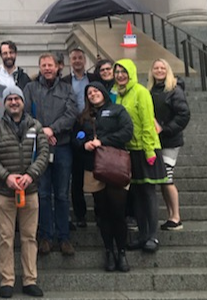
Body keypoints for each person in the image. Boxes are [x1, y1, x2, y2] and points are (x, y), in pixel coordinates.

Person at [0, 86, 49, 298]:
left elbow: (43, 153)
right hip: (4, 191)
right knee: (5, 237)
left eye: (17, 98)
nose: (13, 102)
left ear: (23, 101)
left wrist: (31, 174)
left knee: (29, 237)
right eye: (9, 98)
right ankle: (7, 280)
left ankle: (30, 279)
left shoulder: (36, 126)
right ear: (5, 103)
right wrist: (6, 176)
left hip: (29, 190)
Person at [73, 82, 133, 272]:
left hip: (115, 165)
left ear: (104, 93)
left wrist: (102, 141)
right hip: (93, 168)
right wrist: (84, 144)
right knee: (103, 213)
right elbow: (76, 137)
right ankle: (108, 251)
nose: (93, 94)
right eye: (89, 93)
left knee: (118, 211)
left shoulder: (117, 110)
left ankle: (121, 252)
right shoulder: (83, 116)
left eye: (96, 91)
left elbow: (127, 132)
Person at [23, 52, 78, 256]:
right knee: (43, 193)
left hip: (62, 146)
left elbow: (71, 114)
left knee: (62, 194)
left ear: (58, 67)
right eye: (43, 65)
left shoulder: (67, 89)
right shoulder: (30, 88)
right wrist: (42, 131)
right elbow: (25, 113)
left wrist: (53, 129)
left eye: (50, 65)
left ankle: (64, 237)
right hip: (39, 148)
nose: (47, 68)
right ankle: (45, 235)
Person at [114, 59, 167, 253]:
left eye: (123, 71)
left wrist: (149, 150)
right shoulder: (118, 95)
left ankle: (152, 235)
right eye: (117, 71)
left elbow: (146, 122)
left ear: (131, 73)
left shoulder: (141, 92)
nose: (120, 75)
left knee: (148, 193)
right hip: (129, 150)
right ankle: (142, 234)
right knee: (136, 193)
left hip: (145, 148)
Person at [147, 58, 191, 231]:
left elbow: (184, 114)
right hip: (156, 141)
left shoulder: (174, 89)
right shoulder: (150, 90)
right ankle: (171, 215)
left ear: (168, 70)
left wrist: (165, 129)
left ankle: (176, 216)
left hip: (170, 140)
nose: (159, 70)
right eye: (156, 68)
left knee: (167, 177)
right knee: (163, 178)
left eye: (162, 68)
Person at [62, 48, 97, 230]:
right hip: (72, 127)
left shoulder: (93, 79)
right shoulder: (64, 82)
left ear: (85, 60)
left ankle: (100, 211)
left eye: (80, 58)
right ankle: (80, 214)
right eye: (74, 58)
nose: (77, 61)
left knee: (96, 170)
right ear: (70, 61)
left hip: (92, 126)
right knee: (76, 175)